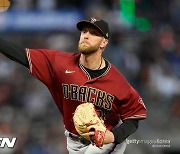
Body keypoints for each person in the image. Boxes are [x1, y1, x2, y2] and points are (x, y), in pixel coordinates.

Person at [0, 17, 147, 154]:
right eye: (84, 31)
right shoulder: (59, 63)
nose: (86, 35)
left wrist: (114, 136)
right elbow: (21, 55)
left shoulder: (117, 81)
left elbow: (133, 118)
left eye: (94, 33)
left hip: (105, 143)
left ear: (104, 42)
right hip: (73, 142)